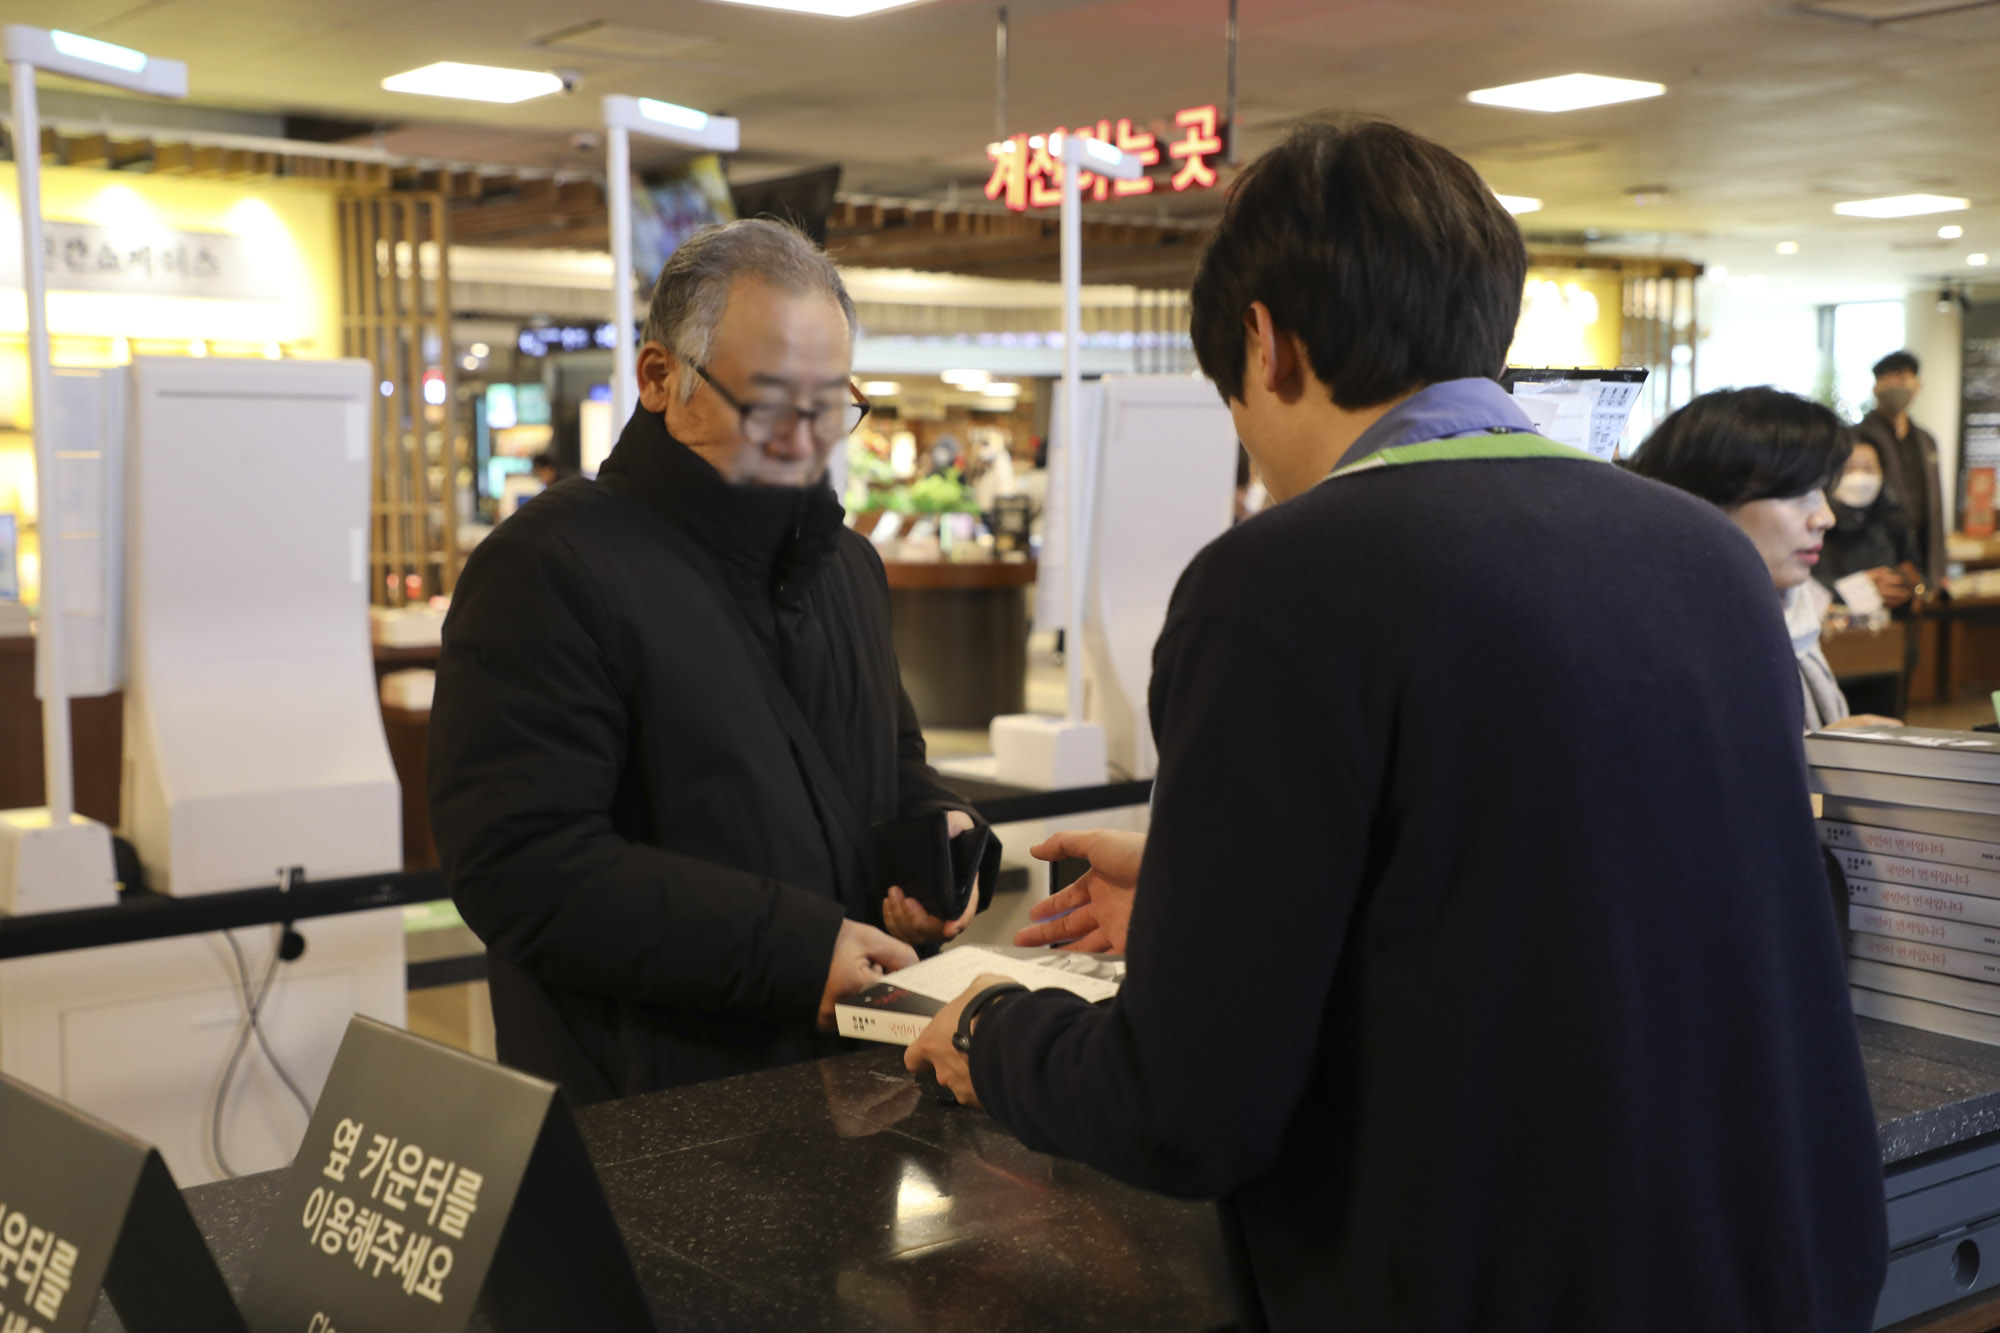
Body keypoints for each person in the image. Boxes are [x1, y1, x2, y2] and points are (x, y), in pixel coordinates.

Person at [904, 118, 1887, 1332]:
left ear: (1262, 341)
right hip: (1757, 1260)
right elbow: (1554, 894)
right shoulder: (1701, 556)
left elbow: (1189, 1106)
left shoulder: (1278, 581)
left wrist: (999, 1030)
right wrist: (1200, 890)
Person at [429, 219, 985, 1102]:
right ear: (661, 379)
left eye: (830, 407)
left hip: (857, 1096)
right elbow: (522, 867)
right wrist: (795, 954)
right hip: (649, 1121)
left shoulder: (847, 567)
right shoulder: (551, 568)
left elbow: (891, 763)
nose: (807, 443)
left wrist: (938, 841)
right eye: (772, 406)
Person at [1627, 387, 1899, 731]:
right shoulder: (1667, 646)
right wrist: (1812, 759)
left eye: (1822, 491)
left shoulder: (1793, 617)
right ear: (1707, 501)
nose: (1825, 517)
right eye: (1800, 493)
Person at [1855, 350, 1946, 589]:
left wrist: (1940, 567)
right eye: (1886, 378)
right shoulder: (1857, 437)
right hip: (1877, 555)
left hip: (1922, 556)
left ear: (1917, 385)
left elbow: (1935, 505)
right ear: (1875, 387)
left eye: (1902, 377)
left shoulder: (1926, 440)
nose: (1894, 385)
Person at [1820, 439, 1925, 607]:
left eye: (1868, 468)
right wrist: (1858, 588)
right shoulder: (1819, 523)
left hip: (1889, 626)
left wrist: (1904, 584)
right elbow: (1805, 587)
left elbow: (1913, 568)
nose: (1859, 477)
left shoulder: (1894, 518)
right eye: (1849, 468)